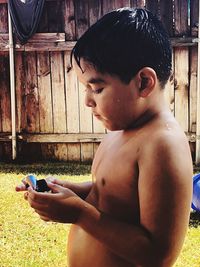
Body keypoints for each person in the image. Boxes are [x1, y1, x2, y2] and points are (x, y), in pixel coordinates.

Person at [16, 8, 193, 267]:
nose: (87, 100)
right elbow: (113, 191)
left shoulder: (162, 145)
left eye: (96, 88)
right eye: (85, 88)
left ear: (144, 82)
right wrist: (65, 191)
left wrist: (80, 213)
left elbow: (158, 254)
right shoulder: (121, 129)